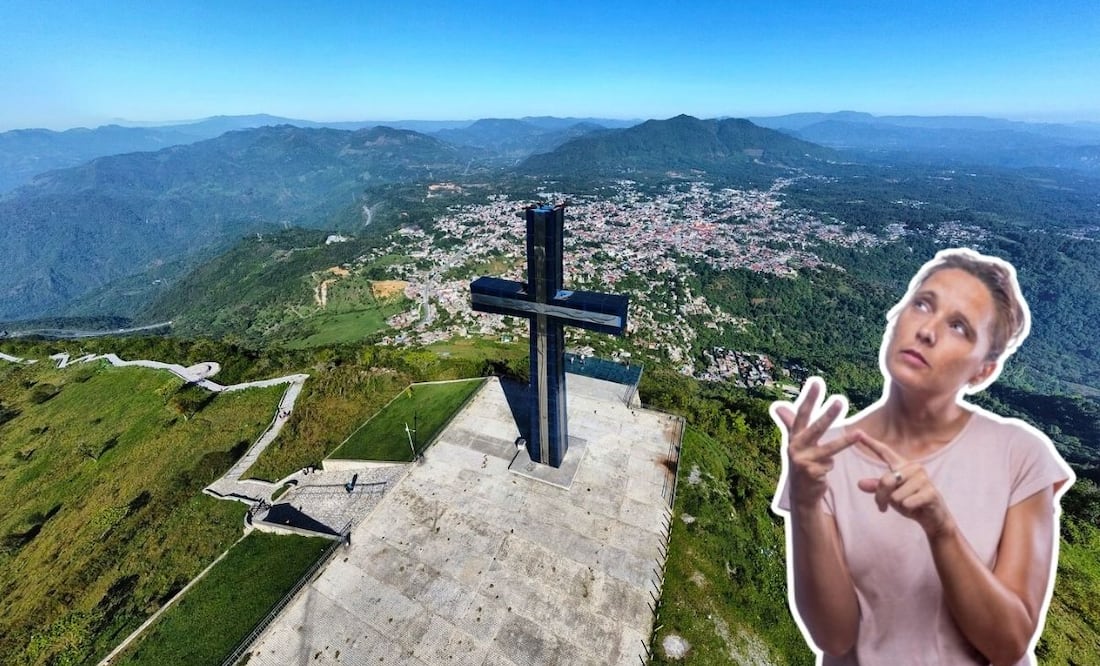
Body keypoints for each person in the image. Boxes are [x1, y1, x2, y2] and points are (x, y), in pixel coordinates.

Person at [771, 248, 1074, 665]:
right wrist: (805, 500)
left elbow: (1009, 644)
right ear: (896, 316)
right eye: (922, 304)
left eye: (959, 327)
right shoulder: (824, 456)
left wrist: (940, 527)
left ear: (983, 370)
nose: (927, 330)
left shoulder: (1019, 455)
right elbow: (835, 637)